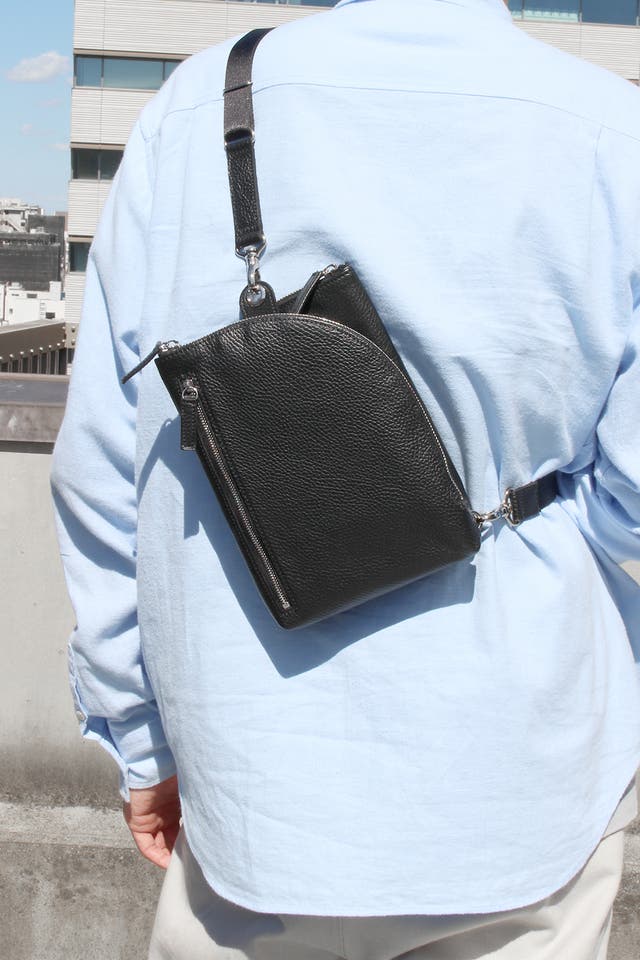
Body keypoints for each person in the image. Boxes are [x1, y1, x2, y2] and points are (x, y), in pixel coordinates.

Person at [51, 0, 640, 957]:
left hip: (253, 796)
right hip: (526, 778)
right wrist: (501, 517)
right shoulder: (611, 128)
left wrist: (139, 737)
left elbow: (105, 469)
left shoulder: (196, 106)